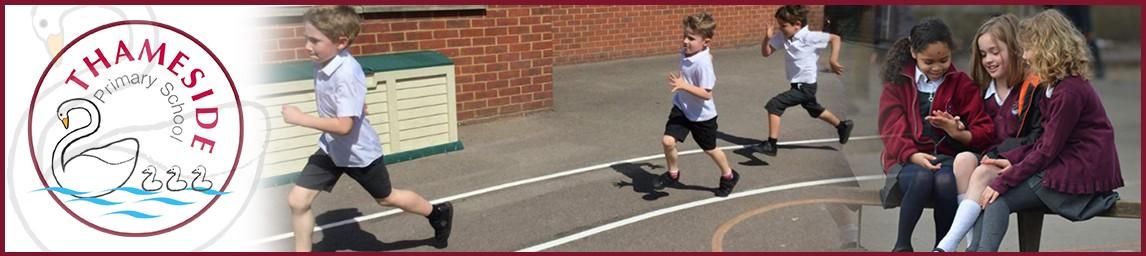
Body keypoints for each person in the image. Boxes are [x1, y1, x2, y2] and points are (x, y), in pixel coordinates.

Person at [283, 5, 453, 251]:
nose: (307, 46)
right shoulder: (323, 61)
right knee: (298, 201)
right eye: (305, 38)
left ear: (340, 42)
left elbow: (343, 126)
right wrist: (356, 102)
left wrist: (300, 118)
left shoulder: (346, 72)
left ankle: (437, 213)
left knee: (386, 198)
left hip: (359, 153)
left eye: (314, 40)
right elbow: (342, 100)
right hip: (331, 149)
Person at [970, 9, 1123, 252]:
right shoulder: (1053, 86)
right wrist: (1010, 161)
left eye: (1029, 48)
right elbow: (1042, 142)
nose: (1025, 55)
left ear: (1047, 48)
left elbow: (1047, 150)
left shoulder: (1069, 92)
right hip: (1063, 164)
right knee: (994, 194)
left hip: (1080, 172)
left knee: (997, 198)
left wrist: (1005, 180)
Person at [877, 18, 995, 252]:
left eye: (944, 60)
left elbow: (985, 131)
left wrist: (959, 132)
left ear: (951, 52)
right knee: (922, 177)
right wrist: (912, 155)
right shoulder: (898, 83)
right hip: (907, 162)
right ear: (913, 53)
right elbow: (890, 129)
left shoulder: (962, 84)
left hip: (947, 161)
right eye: (928, 62)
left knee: (945, 180)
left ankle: (942, 247)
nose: (937, 67)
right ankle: (902, 245)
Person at [933, 14, 1045, 252]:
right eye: (983, 54)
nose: (988, 60)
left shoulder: (1033, 87)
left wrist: (998, 155)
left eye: (995, 51)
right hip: (986, 160)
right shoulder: (982, 89)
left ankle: (948, 244)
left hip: (1018, 163)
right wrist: (960, 129)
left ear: (1015, 49)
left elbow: (1038, 137)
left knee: (983, 171)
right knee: (963, 160)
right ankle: (972, 243)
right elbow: (979, 134)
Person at [653, 12, 740, 197]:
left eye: (691, 38)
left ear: (706, 42)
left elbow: (706, 94)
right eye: (684, 36)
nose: (685, 41)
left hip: (702, 116)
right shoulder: (689, 52)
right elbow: (704, 55)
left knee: (710, 149)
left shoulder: (703, 64)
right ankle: (672, 174)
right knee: (667, 141)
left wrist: (684, 85)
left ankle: (729, 176)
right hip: (682, 108)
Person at [752, 5, 854, 156]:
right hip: (797, 84)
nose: (780, 29)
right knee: (814, 109)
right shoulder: (783, 36)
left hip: (806, 86)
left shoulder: (809, 37)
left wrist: (833, 60)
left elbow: (835, 38)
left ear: (797, 25)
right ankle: (842, 126)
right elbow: (766, 53)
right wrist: (767, 39)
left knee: (774, 105)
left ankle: (771, 145)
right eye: (779, 25)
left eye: (784, 26)